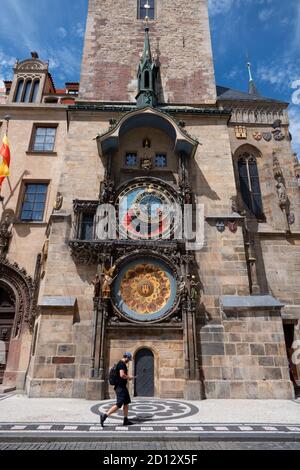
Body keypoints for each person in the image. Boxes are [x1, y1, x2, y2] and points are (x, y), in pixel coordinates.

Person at [100, 352, 135, 427]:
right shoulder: (121, 364)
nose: (129, 361)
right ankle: (104, 416)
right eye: (128, 359)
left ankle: (125, 420)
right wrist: (129, 377)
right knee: (119, 404)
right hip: (120, 387)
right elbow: (122, 375)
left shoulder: (121, 363)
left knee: (126, 402)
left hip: (123, 387)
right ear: (126, 357)